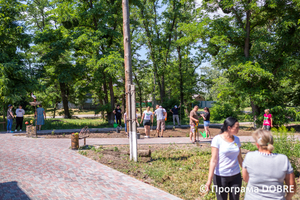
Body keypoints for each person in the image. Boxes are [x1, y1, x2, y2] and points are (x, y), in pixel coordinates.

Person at [242, 129, 297, 200]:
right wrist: (287, 198)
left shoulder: (249, 156)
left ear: (257, 144)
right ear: (272, 142)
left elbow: (246, 179)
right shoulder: (283, 159)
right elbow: (291, 187)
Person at [205, 117, 243, 200]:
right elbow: (213, 160)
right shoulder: (217, 139)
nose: (238, 129)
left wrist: (245, 171)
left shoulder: (237, 139)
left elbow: (240, 158)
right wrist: (209, 180)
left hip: (236, 175)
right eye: (236, 127)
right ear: (229, 128)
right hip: (221, 176)